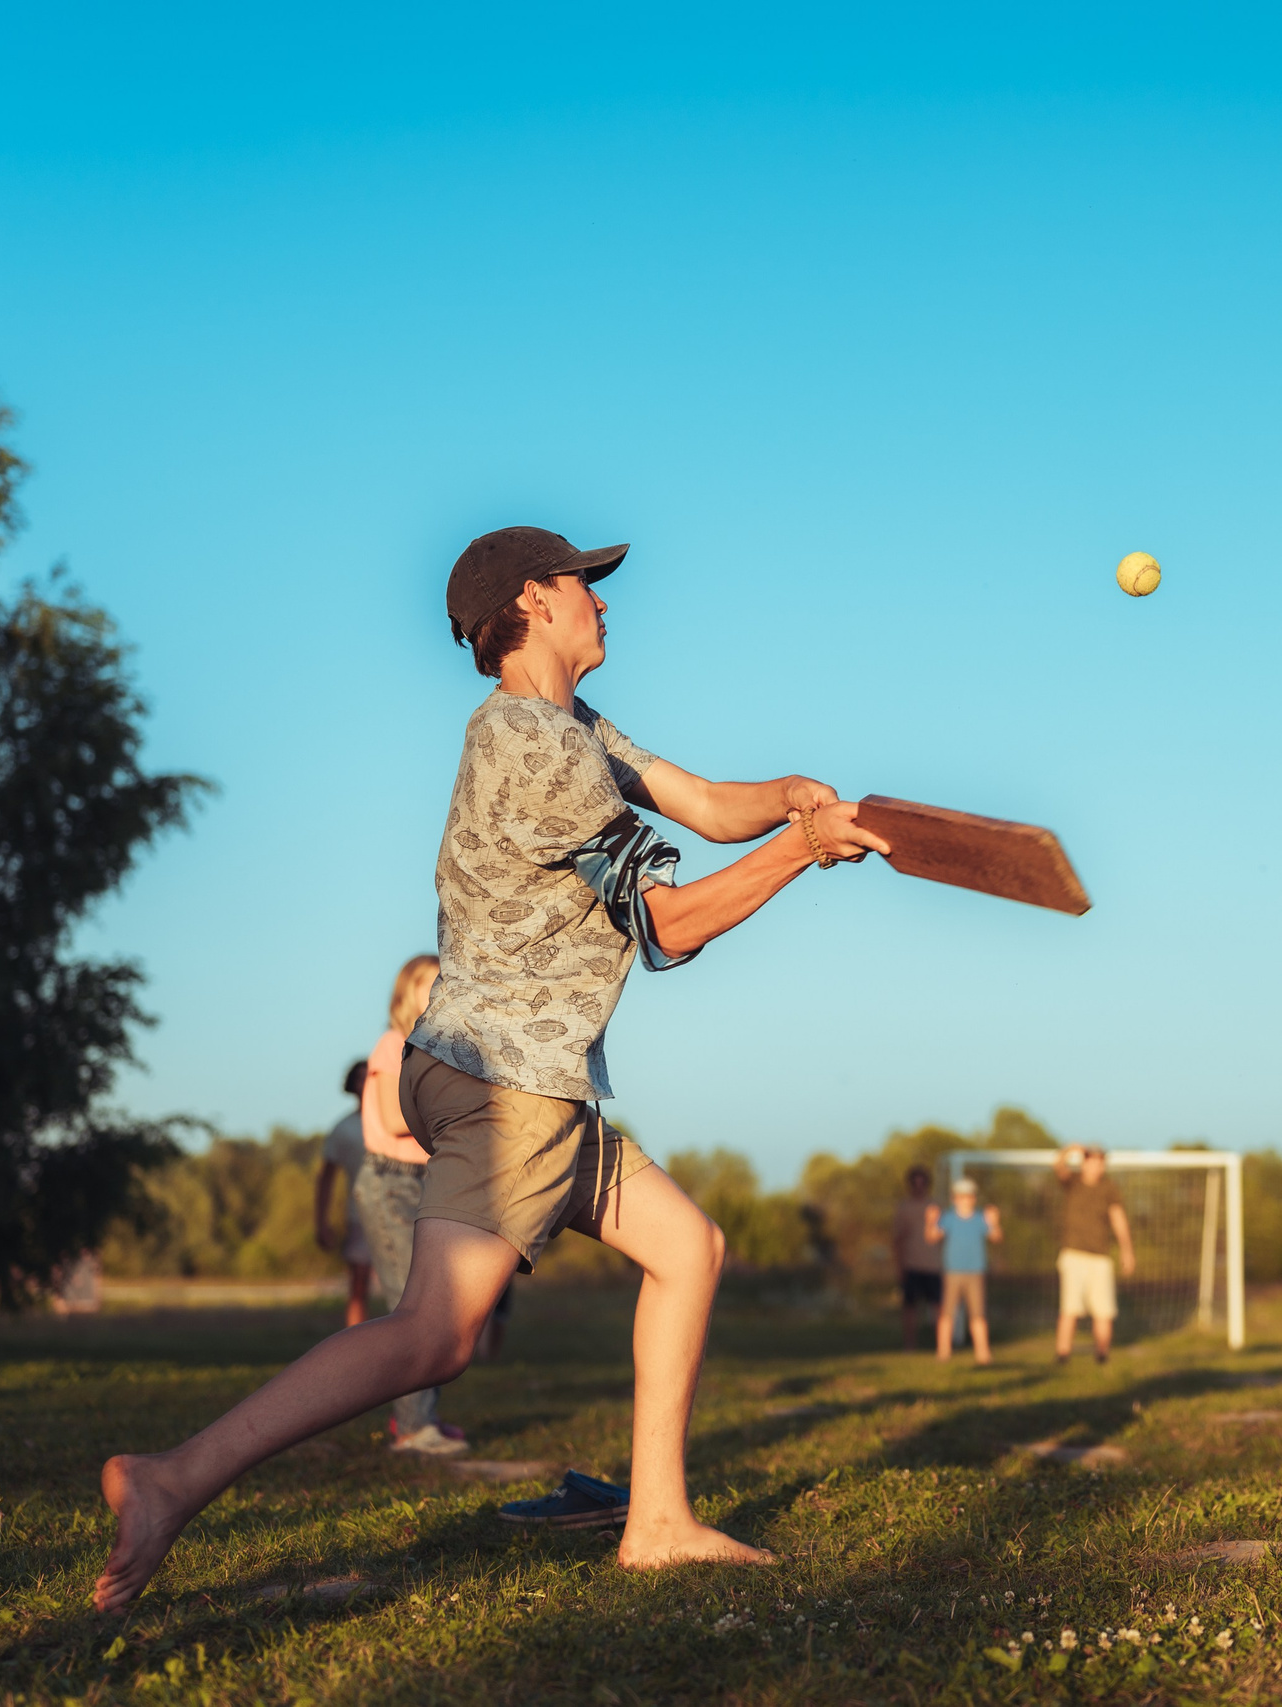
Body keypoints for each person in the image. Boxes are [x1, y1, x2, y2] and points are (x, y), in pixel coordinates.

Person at [93, 525, 890, 1610]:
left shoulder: (558, 727)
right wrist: (802, 850)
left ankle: (657, 1521)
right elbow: (669, 925)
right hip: (511, 1083)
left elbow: (699, 802)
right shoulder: (549, 754)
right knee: (432, 1335)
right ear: (535, 599)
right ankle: (170, 1480)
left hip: (515, 1072)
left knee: (688, 1248)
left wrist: (789, 795)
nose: (603, 603)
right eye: (585, 585)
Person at [350, 955, 468, 1454]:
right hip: (391, 1181)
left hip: (422, 1180)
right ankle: (414, 1428)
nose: (440, 988)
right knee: (411, 1305)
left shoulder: (428, 1050)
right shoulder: (394, 1045)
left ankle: (417, 1420)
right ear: (406, 994)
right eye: (429, 982)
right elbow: (394, 1120)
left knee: (437, 1301)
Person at [1052, 1145, 1134, 1365]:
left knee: (1103, 1309)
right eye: (1093, 1161)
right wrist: (1070, 1149)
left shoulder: (1109, 1188)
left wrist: (1127, 1250)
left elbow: (1118, 1218)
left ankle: (1102, 1354)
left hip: (1100, 1256)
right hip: (1073, 1254)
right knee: (1070, 1308)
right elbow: (1058, 1165)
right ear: (1084, 1162)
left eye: (1101, 1162)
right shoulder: (1073, 1182)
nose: (1098, 1166)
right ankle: (1062, 1354)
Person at [316, 1061, 374, 1330]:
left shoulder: (399, 1120)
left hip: (404, 1211)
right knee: (359, 1283)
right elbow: (326, 1178)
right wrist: (321, 1223)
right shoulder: (343, 1129)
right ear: (352, 1085)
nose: (366, 1083)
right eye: (361, 1078)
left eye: (372, 1076)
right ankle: (358, 1338)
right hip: (360, 1214)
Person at [924, 1175, 1001, 1365]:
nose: (964, 1200)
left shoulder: (980, 1219)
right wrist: (930, 1221)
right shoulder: (948, 1218)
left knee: (978, 1314)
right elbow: (932, 1237)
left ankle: (983, 1353)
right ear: (954, 1199)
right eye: (960, 1196)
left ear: (973, 1198)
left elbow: (996, 1237)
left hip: (975, 1272)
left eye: (968, 1196)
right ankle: (943, 1351)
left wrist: (994, 1222)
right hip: (953, 1272)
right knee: (948, 1313)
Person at [893, 1165, 944, 1350]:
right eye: (915, 1183)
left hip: (933, 1266)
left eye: (922, 1183)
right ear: (910, 1185)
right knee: (910, 1307)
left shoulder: (937, 1206)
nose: (919, 1187)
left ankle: (942, 1344)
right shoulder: (903, 1207)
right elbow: (896, 1240)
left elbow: (945, 1236)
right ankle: (910, 1344)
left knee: (938, 1306)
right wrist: (899, 1266)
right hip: (911, 1265)